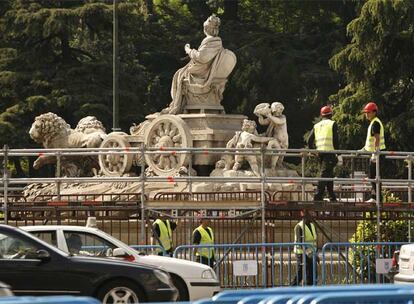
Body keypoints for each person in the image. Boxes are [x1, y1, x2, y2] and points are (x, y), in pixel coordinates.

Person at [162, 15, 224, 114]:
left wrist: (189, 50)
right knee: (179, 73)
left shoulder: (211, 41)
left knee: (179, 75)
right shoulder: (216, 42)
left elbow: (201, 57)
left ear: (206, 29)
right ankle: (178, 103)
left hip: (202, 71)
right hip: (203, 69)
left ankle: (176, 104)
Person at [307, 105, 339, 202]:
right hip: (330, 152)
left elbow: (309, 140)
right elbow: (336, 140)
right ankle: (318, 197)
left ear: (321, 115)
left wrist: (313, 151)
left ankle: (332, 196)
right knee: (325, 174)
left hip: (320, 153)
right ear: (331, 114)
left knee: (328, 174)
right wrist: (338, 153)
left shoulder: (316, 125)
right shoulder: (333, 124)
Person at [360, 102, 386, 203]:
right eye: (365, 112)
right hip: (376, 153)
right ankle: (376, 197)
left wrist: (375, 153)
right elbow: (371, 141)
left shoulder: (375, 123)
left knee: (373, 176)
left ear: (374, 112)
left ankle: (376, 198)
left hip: (378, 153)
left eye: (368, 112)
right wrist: (363, 149)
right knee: (373, 176)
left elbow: (377, 139)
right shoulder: (374, 122)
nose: (366, 114)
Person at [256, 102, 289, 167]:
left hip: (283, 140)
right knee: (276, 152)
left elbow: (278, 121)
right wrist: (259, 116)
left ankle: (278, 165)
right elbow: (262, 122)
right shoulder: (272, 117)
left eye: (281, 108)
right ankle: (273, 166)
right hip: (275, 138)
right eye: (279, 108)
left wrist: (269, 116)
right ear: (274, 109)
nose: (280, 110)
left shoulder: (282, 117)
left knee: (281, 155)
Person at [292, 210, 317, 286]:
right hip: (301, 253)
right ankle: (291, 289)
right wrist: (310, 253)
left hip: (311, 253)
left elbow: (314, 240)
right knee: (301, 273)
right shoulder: (299, 226)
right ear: (303, 214)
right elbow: (300, 243)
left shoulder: (312, 225)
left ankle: (310, 290)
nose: (312, 214)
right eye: (310, 212)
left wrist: (315, 254)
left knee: (312, 274)